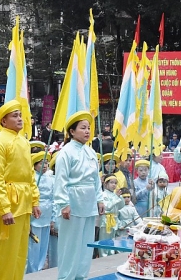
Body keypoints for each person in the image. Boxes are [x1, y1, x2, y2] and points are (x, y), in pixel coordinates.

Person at [0, 100, 40, 280]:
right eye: (15, 116)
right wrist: (4, 208)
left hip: (23, 202)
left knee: (19, 252)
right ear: (3, 121)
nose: (20, 119)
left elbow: (30, 174)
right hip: (8, 203)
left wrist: (34, 200)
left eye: (20, 115)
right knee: (4, 254)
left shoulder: (24, 142)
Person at [54, 111, 104, 279]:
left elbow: (96, 179)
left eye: (89, 128)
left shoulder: (90, 152)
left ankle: (81, 276)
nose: (87, 131)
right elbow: (60, 180)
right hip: (73, 201)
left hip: (89, 202)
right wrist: (63, 204)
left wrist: (100, 198)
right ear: (72, 131)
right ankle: (66, 277)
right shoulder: (66, 152)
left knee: (85, 245)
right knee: (70, 245)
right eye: (83, 128)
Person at [26, 152, 54, 274]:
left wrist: (53, 217)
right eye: (41, 163)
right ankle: (32, 271)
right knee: (34, 245)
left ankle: (40, 268)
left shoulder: (50, 178)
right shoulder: (32, 178)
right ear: (35, 165)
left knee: (44, 244)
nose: (45, 165)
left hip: (47, 213)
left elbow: (53, 197)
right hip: (36, 213)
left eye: (46, 162)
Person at [98, 174, 125, 257]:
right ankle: (103, 255)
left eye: (115, 183)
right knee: (104, 239)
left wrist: (120, 198)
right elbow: (108, 207)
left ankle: (111, 254)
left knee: (112, 239)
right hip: (106, 219)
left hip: (114, 219)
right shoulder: (102, 195)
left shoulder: (115, 195)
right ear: (105, 184)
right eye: (111, 183)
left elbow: (121, 206)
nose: (114, 185)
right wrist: (116, 197)